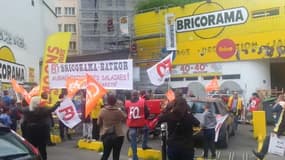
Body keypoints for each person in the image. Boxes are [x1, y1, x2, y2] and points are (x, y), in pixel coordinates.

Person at [158, 92, 200, 160]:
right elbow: (197, 123)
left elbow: (159, 119)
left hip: (173, 147)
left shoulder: (169, 116)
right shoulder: (189, 117)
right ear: (185, 106)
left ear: (174, 105)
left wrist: (167, 108)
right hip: (187, 148)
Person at [22, 95, 60, 160]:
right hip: (41, 131)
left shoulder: (26, 110)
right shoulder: (42, 109)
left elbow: (20, 110)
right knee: (42, 149)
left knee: (32, 149)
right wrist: (58, 103)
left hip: (30, 132)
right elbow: (51, 109)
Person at [98, 94, 126, 160]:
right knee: (116, 155)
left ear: (107, 101)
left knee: (105, 154)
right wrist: (121, 108)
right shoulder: (118, 111)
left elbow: (98, 123)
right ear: (115, 101)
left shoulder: (102, 111)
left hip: (106, 135)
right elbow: (125, 118)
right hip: (118, 135)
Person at [125, 91, 151, 160]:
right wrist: (144, 118)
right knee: (147, 130)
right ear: (138, 95)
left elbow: (126, 112)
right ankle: (144, 145)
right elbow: (147, 112)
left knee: (133, 139)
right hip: (141, 123)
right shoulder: (142, 101)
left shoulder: (127, 103)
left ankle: (135, 156)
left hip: (131, 123)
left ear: (131, 95)